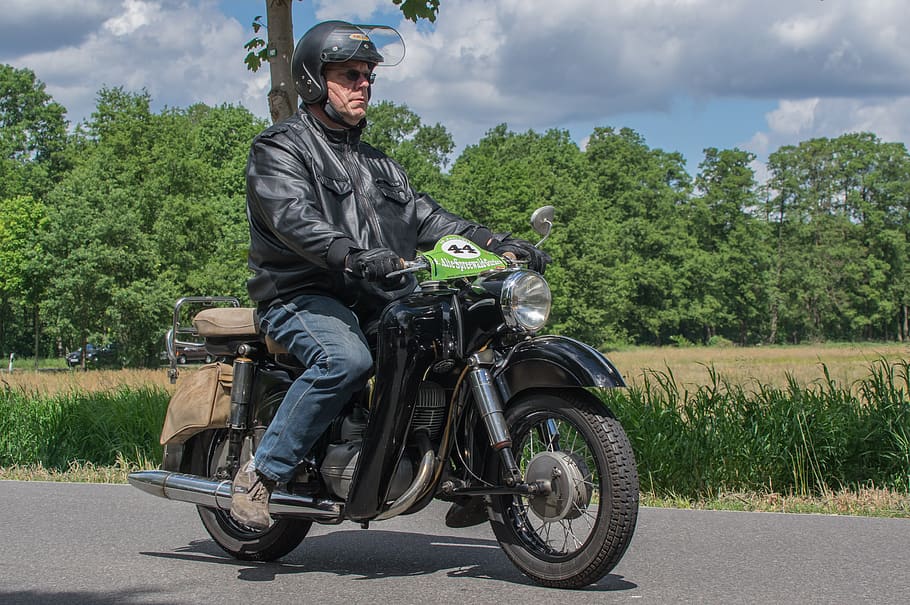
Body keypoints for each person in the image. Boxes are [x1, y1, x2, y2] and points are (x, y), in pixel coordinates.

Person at [231, 20, 549, 530]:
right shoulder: (280, 149)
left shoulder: (379, 164)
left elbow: (428, 218)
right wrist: (351, 255)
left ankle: (467, 475)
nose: (364, 85)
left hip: (373, 295)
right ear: (314, 80)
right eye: (351, 74)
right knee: (346, 359)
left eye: (369, 76)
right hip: (303, 294)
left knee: (458, 340)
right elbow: (292, 218)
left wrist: (496, 243)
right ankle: (261, 474)